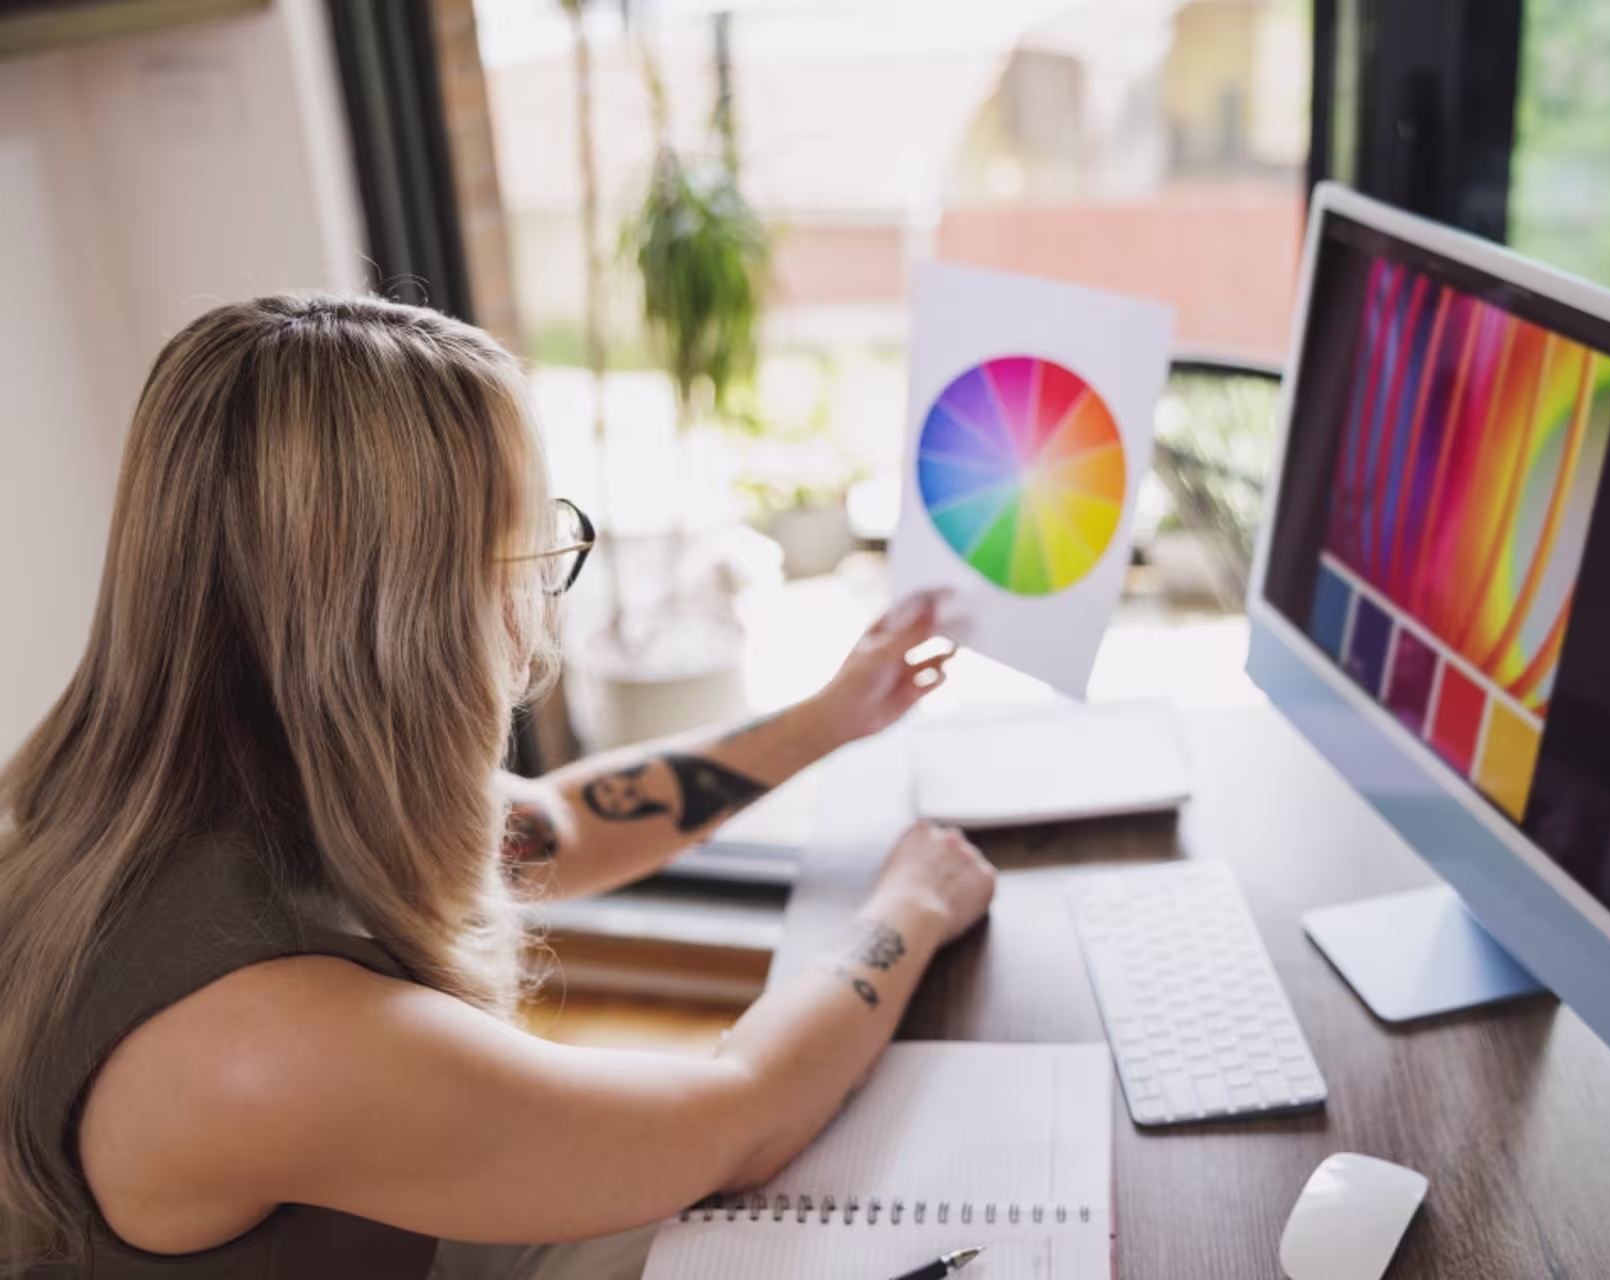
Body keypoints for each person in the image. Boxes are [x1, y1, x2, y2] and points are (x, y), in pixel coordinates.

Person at [0, 295, 998, 1279]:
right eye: (533, 547)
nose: (536, 599)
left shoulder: (184, 789)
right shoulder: (259, 1039)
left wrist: (832, 714)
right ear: (413, 612)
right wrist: (907, 908)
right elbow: (742, 1116)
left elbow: (555, 825)